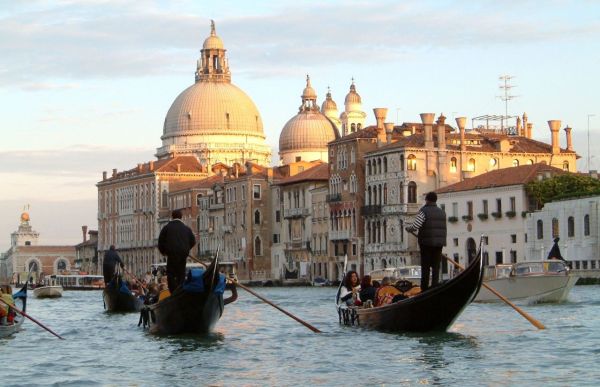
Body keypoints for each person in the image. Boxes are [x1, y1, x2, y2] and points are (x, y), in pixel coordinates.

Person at [405, 191, 447, 291]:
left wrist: (408, 228)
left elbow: (416, 225)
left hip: (426, 243)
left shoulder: (424, 211)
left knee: (426, 266)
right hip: (439, 243)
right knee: (436, 266)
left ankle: (424, 289)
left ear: (427, 200)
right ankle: (435, 287)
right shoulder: (442, 212)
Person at [158, 209, 196, 293]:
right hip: (183, 254)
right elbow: (193, 241)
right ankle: (180, 289)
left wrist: (164, 252)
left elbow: (160, 242)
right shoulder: (187, 229)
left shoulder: (166, 228)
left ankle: (173, 292)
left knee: (171, 273)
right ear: (181, 217)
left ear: (172, 216)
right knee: (181, 273)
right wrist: (186, 249)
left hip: (171, 254)